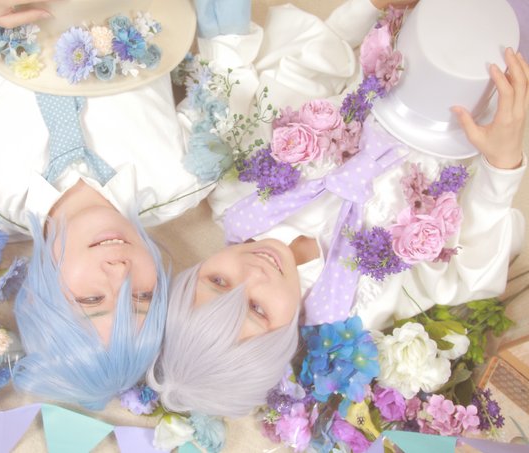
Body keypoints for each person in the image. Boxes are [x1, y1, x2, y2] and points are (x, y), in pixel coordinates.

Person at [148, 0, 528, 418]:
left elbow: (299, 76)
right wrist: (502, 164)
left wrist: (367, 9)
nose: (253, 272)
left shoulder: (239, 190)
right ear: (284, 342)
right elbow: (467, 275)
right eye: (257, 308)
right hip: (476, 112)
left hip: (403, 51)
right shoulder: (359, 306)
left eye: (218, 280)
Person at [0, 0, 203, 409]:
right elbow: (229, 69)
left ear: (38, 296)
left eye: (92, 300)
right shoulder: (180, 180)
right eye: (142, 295)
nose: (121, 272)